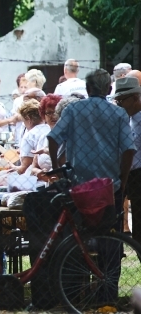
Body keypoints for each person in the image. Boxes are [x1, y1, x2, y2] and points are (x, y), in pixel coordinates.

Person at [48, 69, 135, 224]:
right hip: (109, 184)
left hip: (79, 183)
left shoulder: (73, 110)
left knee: (78, 229)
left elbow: (53, 138)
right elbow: (129, 149)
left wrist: (56, 167)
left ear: (88, 88)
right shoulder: (119, 113)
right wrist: (123, 179)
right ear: (109, 89)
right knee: (109, 229)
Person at [114, 76, 141, 242]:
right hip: (129, 174)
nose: (119, 105)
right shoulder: (127, 120)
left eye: (122, 100)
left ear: (135, 98)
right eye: (117, 101)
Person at [15, 100, 50, 174]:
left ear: (28, 119)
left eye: (23, 121)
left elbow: (25, 168)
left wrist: (12, 168)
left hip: (36, 177)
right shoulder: (50, 128)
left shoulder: (29, 135)